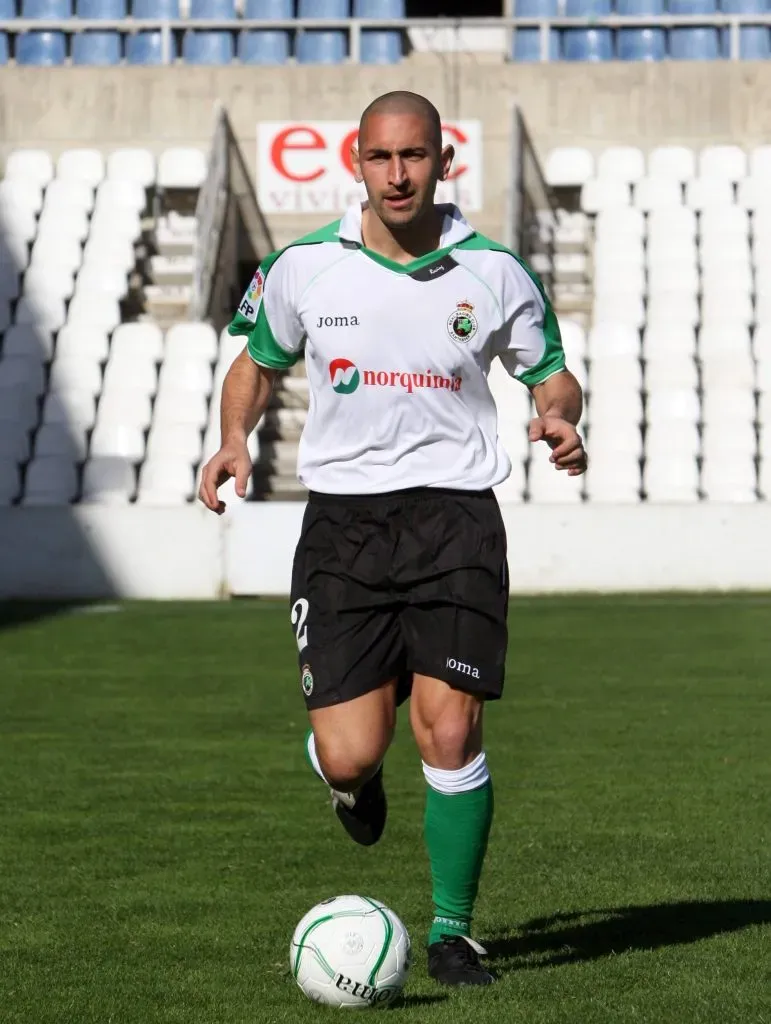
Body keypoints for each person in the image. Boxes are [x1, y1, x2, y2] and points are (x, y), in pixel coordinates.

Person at [199, 90, 587, 987]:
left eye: (416, 156)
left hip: (455, 517)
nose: (399, 174)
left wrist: (558, 418)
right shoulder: (302, 266)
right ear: (358, 162)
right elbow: (256, 361)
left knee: (448, 731)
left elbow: (550, 374)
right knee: (352, 751)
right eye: (382, 158)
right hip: (341, 524)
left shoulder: (493, 271)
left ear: (444, 160)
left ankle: (454, 931)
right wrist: (232, 440)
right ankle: (348, 779)